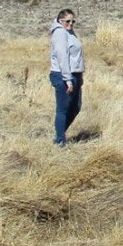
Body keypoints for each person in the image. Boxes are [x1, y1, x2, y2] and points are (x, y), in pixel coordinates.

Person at [48, 8, 85, 146]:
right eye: (67, 21)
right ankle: (60, 140)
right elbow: (62, 57)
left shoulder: (70, 32)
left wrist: (79, 75)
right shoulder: (59, 33)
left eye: (72, 21)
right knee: (63, 109)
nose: (70, 24)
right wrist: (67, 79)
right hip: (62, 75)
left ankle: (59, 134)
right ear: (59, 21)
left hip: (74, 74)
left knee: (75, 107)